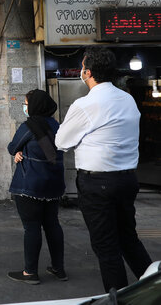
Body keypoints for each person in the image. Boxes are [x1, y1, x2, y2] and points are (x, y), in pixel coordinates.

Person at [55, 46, 152, 292]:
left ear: (87, 72)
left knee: (106, 246)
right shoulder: (127, 98)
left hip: (97, 184)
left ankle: (116, 297)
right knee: (128, 240)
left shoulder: (86, 104)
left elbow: (61, 142)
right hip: (128, 180)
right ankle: (153, 288)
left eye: (82, 67)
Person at [6, 89, 66, 285]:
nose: (25, 107)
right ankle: (58, 268)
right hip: (54, 185)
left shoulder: (29, 126)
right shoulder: (57, 126)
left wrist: (19, 150)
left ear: (33, 106)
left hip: (30, 186)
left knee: (32, 228)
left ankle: (30, 272)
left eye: (26, 103)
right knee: (52, 225)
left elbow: (12, 146)